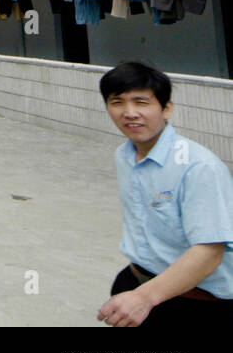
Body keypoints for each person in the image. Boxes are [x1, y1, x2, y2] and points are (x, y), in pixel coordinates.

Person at [97, 61, 233, 327]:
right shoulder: (124, 156)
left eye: (142, 102)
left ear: (166, 108)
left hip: (198, 302)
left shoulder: (198, 167)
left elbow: (209, 252)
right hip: (136, 281)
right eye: (117, 102)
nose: (130, 113)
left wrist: (144, 298)